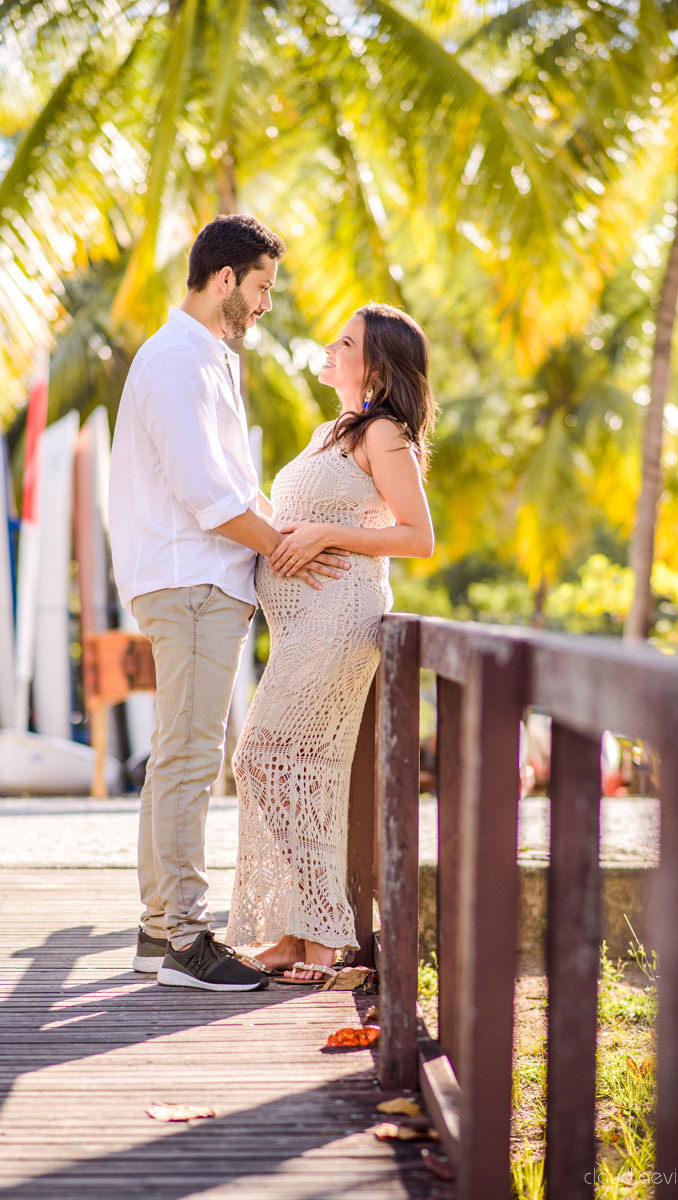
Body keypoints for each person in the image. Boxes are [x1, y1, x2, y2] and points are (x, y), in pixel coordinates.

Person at [108, 214, 349, 992]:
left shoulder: (208, 359)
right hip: (189, 580)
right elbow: (209, 496)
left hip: (204, 582)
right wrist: (290, 545)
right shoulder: (176, 359)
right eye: (262, 287)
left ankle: (157, 931)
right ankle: (184, 937)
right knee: (189, 757)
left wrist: (288, 537)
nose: (266, 305)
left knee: (181, 753)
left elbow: (232, 490)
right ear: (224, 281)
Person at [227, 302, 436, 983]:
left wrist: (325, 536)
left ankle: (321, 934)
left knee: (260, 758)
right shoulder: (332, 431)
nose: (328, 346)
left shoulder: (383, 433)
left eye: (344, 341)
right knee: (300, 773)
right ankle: (298, 935)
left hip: (339, 620)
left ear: (373, 365)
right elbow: (295, 513)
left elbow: (417, 537)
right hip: (297, 628)